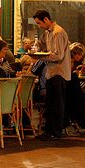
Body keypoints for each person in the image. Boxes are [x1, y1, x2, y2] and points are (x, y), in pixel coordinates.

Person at [33, 10, 70, 140]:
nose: (39, 26)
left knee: (56, 104)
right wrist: (36, 47)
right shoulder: (48, 33)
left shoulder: (58, 32)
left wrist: (42, 57)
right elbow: (42, 44)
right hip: (51, 73)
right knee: (50, 104)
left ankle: (56, 132)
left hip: (59, 73)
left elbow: (58, 55)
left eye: (39, 23)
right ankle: (49, 131)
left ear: (46, 20)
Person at [65, 42, 85, 130]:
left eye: (80, 55)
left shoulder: (72, 62)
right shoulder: (69, 62)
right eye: (78, 55)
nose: (79, 57)